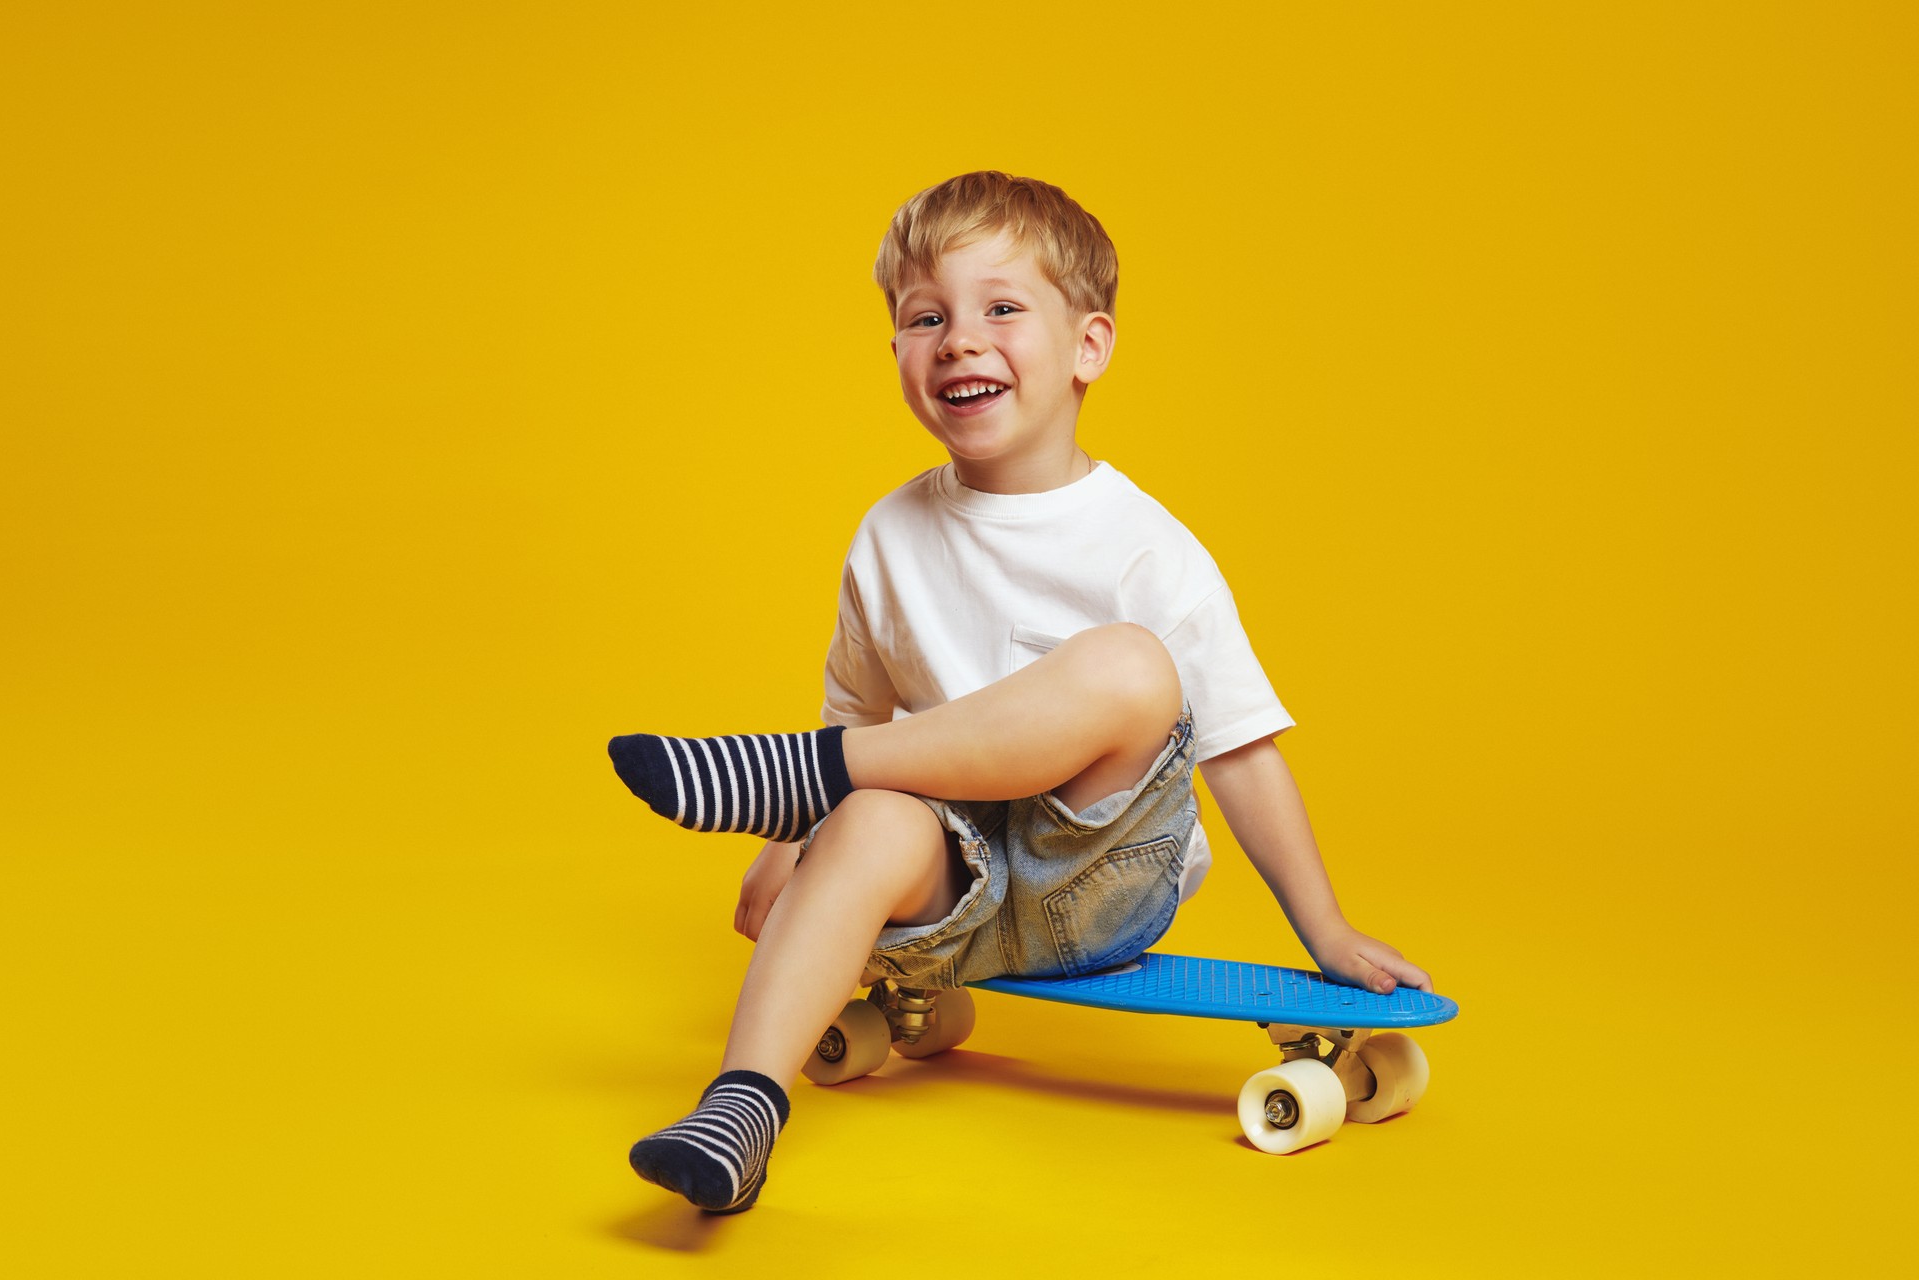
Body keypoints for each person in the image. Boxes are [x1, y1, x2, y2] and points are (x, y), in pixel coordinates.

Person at [606, 171, 1433, 1213]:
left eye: (1002, 307)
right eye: (925, 316)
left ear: (1089, 347)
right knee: (866, 816)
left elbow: (1240, 746)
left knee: (1130, 665)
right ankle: (740, 1109)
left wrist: (1326, 929)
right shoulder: (888, 536)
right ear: (899, 353)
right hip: (952, 890)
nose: (958, 338)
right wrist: (791, 855)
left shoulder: (1147, 548)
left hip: (1097, 873)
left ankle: (795, 780)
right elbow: (859, 715)